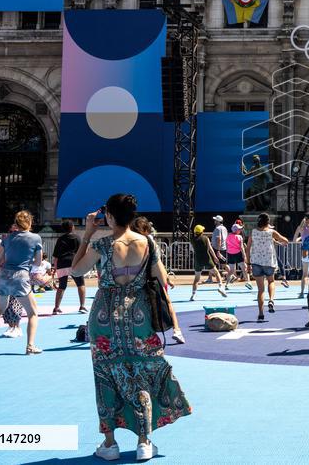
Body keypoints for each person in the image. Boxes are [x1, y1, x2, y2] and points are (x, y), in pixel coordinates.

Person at [71, 194, 190, 462]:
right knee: (142, 375)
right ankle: (144, 441)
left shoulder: (102, 245)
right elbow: (162, 282)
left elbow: (76, 271)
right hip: (139, 316)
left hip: (105, 319)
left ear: (109, 217)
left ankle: (109, 443)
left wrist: (87, 234)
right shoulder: (148, 243)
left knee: (105, 376)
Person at [0, 210, 43, 353]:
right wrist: (28, 260)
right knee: (32, 313)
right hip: (20, 277)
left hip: (3, 276)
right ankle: (30, 345)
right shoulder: (35, 238)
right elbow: (38, 262)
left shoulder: (6, 239)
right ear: (30, 222)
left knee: (0, 308)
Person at [133, 216, 184, 345]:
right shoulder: (150, 242)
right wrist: (166, 279)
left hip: (140, 279)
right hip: (155, 278)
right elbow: (158, 264)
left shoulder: (133, 242)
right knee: (167, 303)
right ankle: (177, 330)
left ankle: (143, 334)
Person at [246, 213, 290, 322]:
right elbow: (286, 241)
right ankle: (271, 300)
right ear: (268, 222)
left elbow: (248, 248)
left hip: (256, 262)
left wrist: (248, 264)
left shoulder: (253, 232)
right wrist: (276, 240)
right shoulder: (271, 232)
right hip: (269, 262)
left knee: (260, 289)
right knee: (271, 281)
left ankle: (261, 314)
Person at [52, 221, 87, 314]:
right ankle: (82, 306)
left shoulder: (60, 239)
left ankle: (56, 308)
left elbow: (55, 255)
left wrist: (55, 267)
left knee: (62, 286)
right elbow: (82, 252)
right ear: (72, 227)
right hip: (74, 263)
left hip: (62, 263)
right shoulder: (77, 238)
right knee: (81, 284)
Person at [190, 224, 227, 300]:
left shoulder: (192, 239)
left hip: (198, 259)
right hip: (207, 259)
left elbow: (192, 249)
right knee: (216, 273)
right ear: (201, 232)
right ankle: (221, 287)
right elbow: (210, 249)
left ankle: (193, 295)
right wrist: (215, 257)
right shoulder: (205, 238)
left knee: (196, 279)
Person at [292, 213, 309, 298]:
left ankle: (302, 293)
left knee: (304, 274)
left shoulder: (300, 227)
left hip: (305, 252)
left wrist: (301, 238)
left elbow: (294, 240)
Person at [209, 215, 227, 282]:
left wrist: (218, 250)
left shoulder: (217, 228)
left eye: (216, 220)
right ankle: (210, 278)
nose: (214, 221)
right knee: (223, 264)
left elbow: (219, 239)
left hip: (217, 248)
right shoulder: (224, 228)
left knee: (212, 263)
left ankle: (210, 278)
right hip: (223, 248)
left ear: (218, 221)